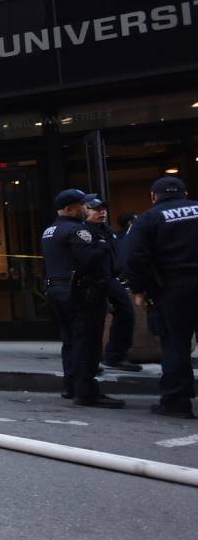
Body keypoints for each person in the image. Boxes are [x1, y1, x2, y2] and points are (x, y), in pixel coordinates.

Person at [124, 176, 198, 419]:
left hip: (175, 287)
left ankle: (177, 401)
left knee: (175, 343)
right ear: (184, 194)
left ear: (153, 197)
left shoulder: (149, 218)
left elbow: (134, 257)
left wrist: (140, 289)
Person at [41, 188, 121, 409]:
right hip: (79, 292)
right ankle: (86, 391)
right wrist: (103, 244)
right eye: (83, 205)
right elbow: (90, 259)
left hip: (57, 290)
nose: (88, 208)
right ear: (70, 209)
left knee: (70, 341)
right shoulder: (78, 231)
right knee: (86, 342)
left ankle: (71, 385)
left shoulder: (50, 229)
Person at [83, 195, 140, 373]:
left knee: (126, 313)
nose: (101, 212)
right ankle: (94, 360)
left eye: (103, 209)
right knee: (93, 322)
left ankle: (115, 356)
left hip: (111, 278)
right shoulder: (83, 231)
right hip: (94, 280)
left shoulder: (106, 230)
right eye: (96, 209)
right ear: (85, 209)